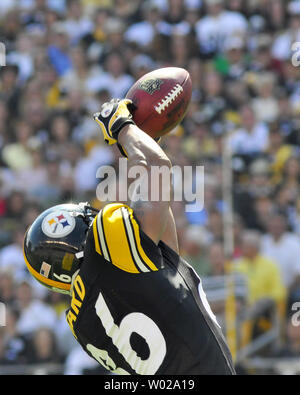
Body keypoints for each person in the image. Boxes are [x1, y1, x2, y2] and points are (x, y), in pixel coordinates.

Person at [23, 98, 235, 375]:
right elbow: (159, 168)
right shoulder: (106, 241)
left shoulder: (79, 323)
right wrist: (122, 127)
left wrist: (142, 142)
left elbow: (163, 247)